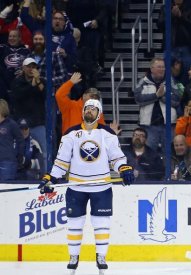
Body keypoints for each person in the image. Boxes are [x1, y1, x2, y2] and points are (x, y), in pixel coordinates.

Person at [37, 99, 134, 274]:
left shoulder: (107, 134)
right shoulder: (70, 134)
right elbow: (61, 162)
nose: (89, 111)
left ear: (99, 113)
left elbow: (117, 157)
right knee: (75, 223)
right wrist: (50, 178)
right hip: (76, 187)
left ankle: (101, 256)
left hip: (101, 187)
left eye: (93, 109)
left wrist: (124, 168)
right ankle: (73, 257)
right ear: (83, 112)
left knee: (101, 223)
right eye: (87, 108)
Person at [134, 57, 182, 154]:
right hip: (149, 126)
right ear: (152, 68)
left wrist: (161, 97)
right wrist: (156, 95)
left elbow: (177, 99)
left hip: (169, 125)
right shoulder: (143, 81)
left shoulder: (171, 81)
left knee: (169, 153)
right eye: (159, 67)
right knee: (149, 153)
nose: (162, 69)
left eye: (163, 67)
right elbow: (138, 99)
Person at [0, 99, 24, 180]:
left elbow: (20, 140)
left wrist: (19, 155)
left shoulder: (11, 124)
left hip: (7, 162)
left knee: (6, 189)